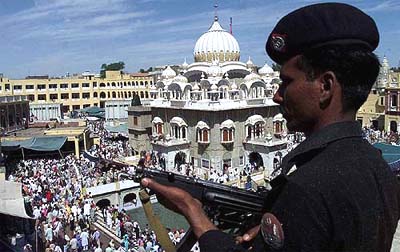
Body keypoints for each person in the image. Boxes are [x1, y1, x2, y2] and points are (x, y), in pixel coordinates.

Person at [141, 2, 400, 252]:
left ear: (325, 86)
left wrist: (193, 212)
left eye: (287, 82)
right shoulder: (378, 167)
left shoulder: (307, 187)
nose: (276, 95)